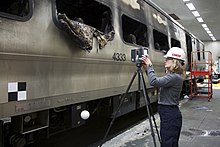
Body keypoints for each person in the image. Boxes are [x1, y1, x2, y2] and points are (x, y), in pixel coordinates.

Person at [141, 47, 186, 147]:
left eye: (168, 59)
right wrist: (147, 69)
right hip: (169, 113)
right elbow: (157, 81)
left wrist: (150, 65)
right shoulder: (174, 76)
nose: (165, 61)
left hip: (169, 114)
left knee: (167, 143)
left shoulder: (174, 77)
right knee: (168, 142)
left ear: (175, 61)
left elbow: (154, 82)